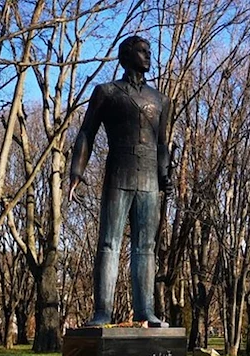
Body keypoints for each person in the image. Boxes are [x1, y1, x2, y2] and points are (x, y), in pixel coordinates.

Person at [68, 35, 173, 327]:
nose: (148, 55)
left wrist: (165, 174)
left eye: (149, 51)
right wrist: (76, 172)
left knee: (145, 247)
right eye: (142, 51)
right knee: (108, 243)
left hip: (149, 179)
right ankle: (102, 312)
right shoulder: (107, 92)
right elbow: (86, 132)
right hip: (119, 173)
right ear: (126, 55)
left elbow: (162, 144)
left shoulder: (161, 100)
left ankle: (145, 311)